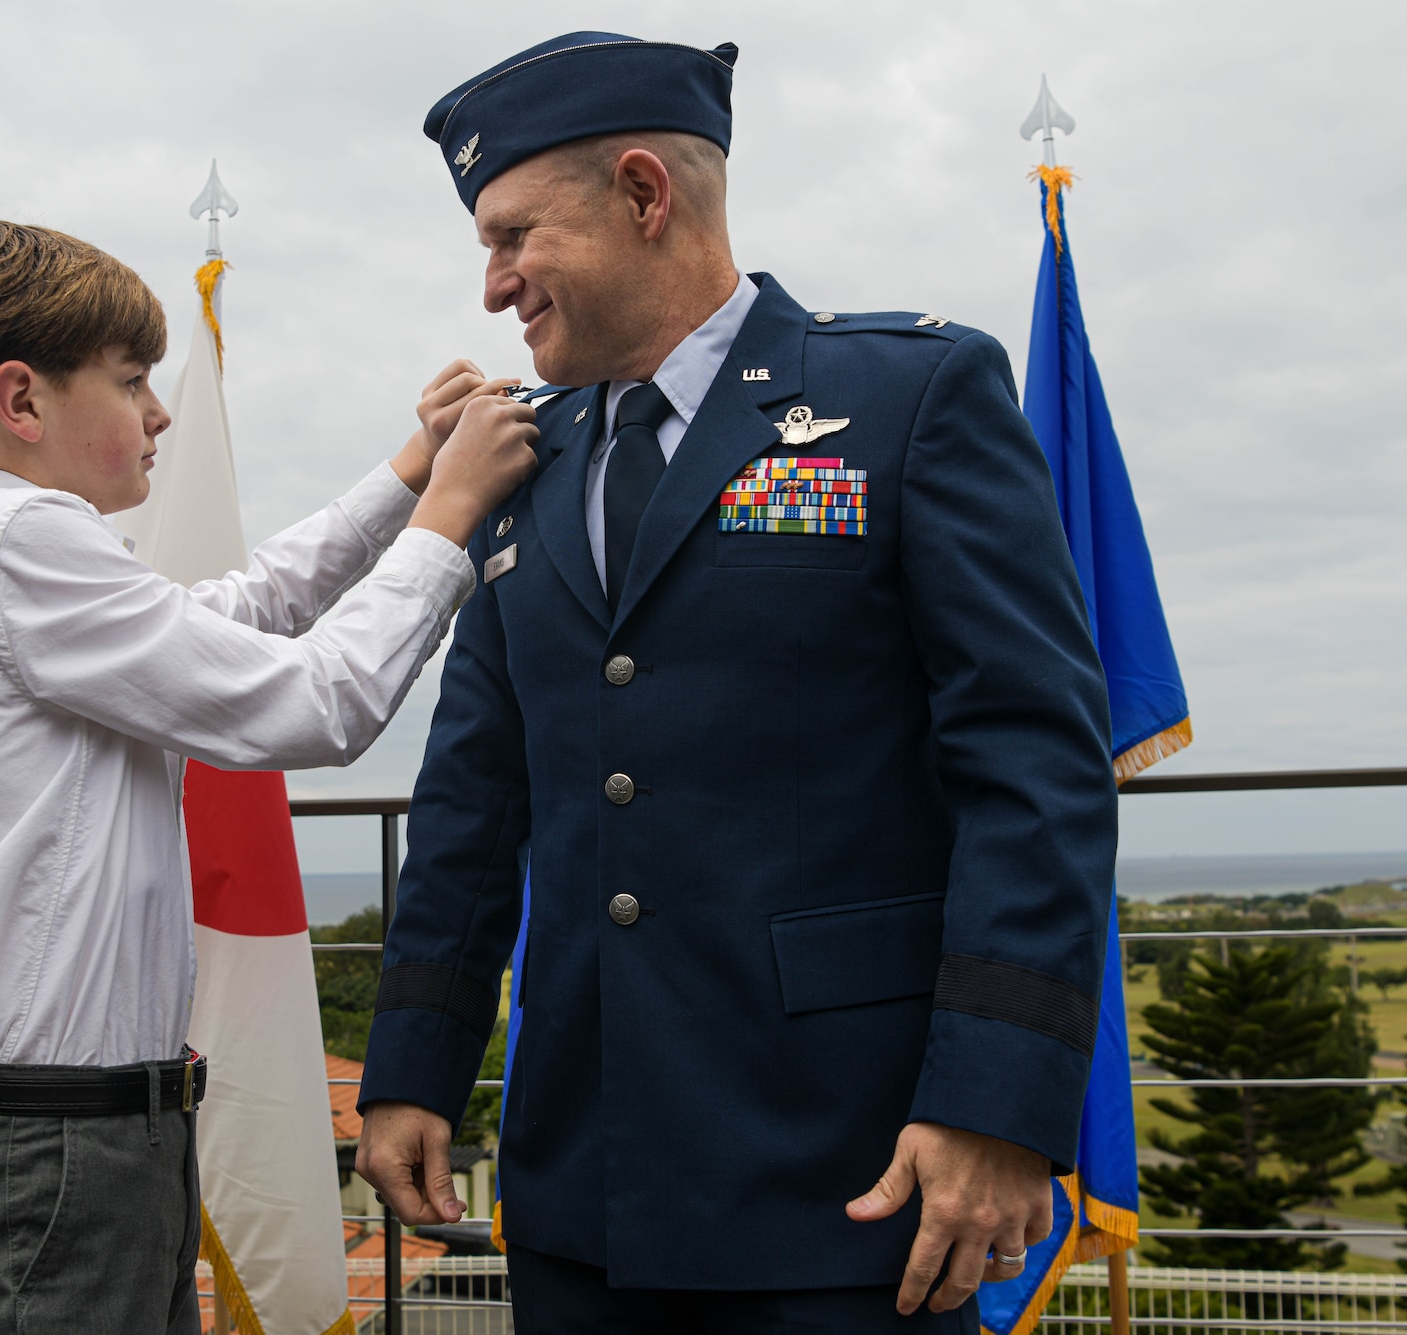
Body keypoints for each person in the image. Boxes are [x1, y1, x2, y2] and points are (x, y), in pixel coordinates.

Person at [355, 32, 1119, 1334]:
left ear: (645, 194)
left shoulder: (909, 399)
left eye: (512, 236)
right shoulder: (520, 463)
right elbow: (476, 793)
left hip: (849, 1178)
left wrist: (995, 1098)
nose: (491, 288)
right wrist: (413, 1062)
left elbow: (1035, 770)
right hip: (579, 1186)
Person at [0, 220, 537, 1334]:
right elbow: (311, 702)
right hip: (50, 1152)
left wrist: (406, 474)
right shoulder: (18, 545)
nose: (160, 411)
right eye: (130, 380)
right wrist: (451, 516)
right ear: (21, 401)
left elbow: (228, 615)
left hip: (71, 1141)